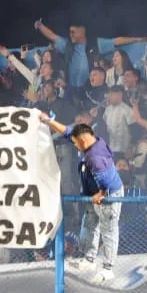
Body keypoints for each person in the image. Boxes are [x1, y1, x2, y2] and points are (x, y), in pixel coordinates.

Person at [39, 116, 123, 283]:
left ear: (83, 140)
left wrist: (101, 194)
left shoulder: (96, 157)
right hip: (92, 193)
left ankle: (108, 269)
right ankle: (89, 259)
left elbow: (105, 182)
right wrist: (48, 121)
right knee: (89, 225)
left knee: (108, 230)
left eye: (76, 143)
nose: (75, 145)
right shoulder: (89, 140)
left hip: (108, 195)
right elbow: (67, 132)